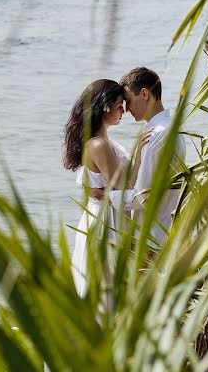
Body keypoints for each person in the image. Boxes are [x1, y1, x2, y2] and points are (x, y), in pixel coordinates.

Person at [63, 79, 149, 297]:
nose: (124, 110)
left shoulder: (104, 142)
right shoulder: (98, 145)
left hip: (107, 215)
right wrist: (140, 153)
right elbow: (126, 187)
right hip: (105, 222)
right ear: (106, 105)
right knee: (106, 288)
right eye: (121, 104)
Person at [91, 67, 185, 248]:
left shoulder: (155, 135)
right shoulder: (172, 127)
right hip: (165, 229)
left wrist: (106, 196)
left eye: (127, 100)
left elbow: (143, 197)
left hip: (151, 237)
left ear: (144, 94)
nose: (126, 109)